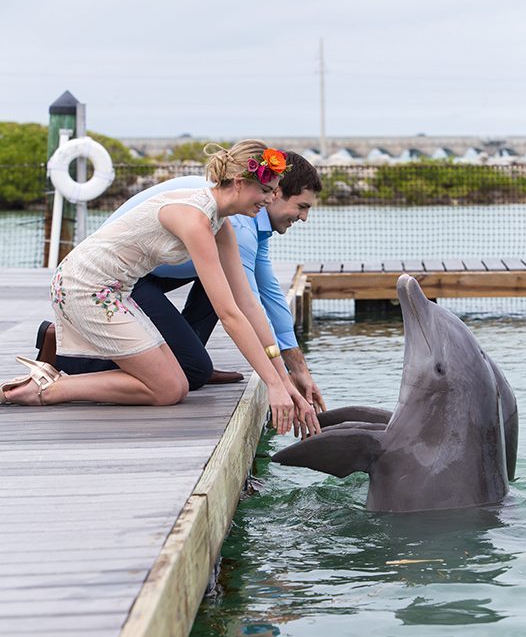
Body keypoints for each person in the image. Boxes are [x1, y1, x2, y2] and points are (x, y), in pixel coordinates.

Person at [0, 140, 320, 437]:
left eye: (274, 192)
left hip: (118, 290)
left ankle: (61, 368)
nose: (269, 200)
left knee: (178, 384)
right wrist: (273, 384)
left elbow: (247, 304)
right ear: (239, 183)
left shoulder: (221, 226)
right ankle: (44, 389)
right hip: (85, 286)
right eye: (266, 190)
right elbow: (229, 314)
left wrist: (284, 380)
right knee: (168, 389)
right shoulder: (196, 219)